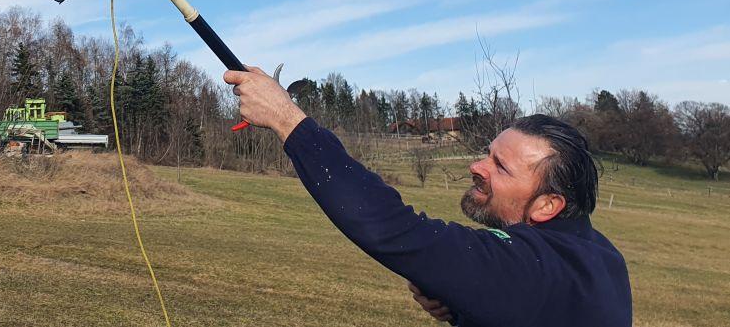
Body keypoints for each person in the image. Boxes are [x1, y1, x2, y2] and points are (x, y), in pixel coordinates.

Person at [224, 67, 632, 327]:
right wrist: (465, 309)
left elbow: (395, 229)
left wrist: (285, 118)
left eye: (500, 167)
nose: (477, 166)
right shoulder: (600, 258)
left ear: (547, 205)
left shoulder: (530, 267)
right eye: (488, 154)